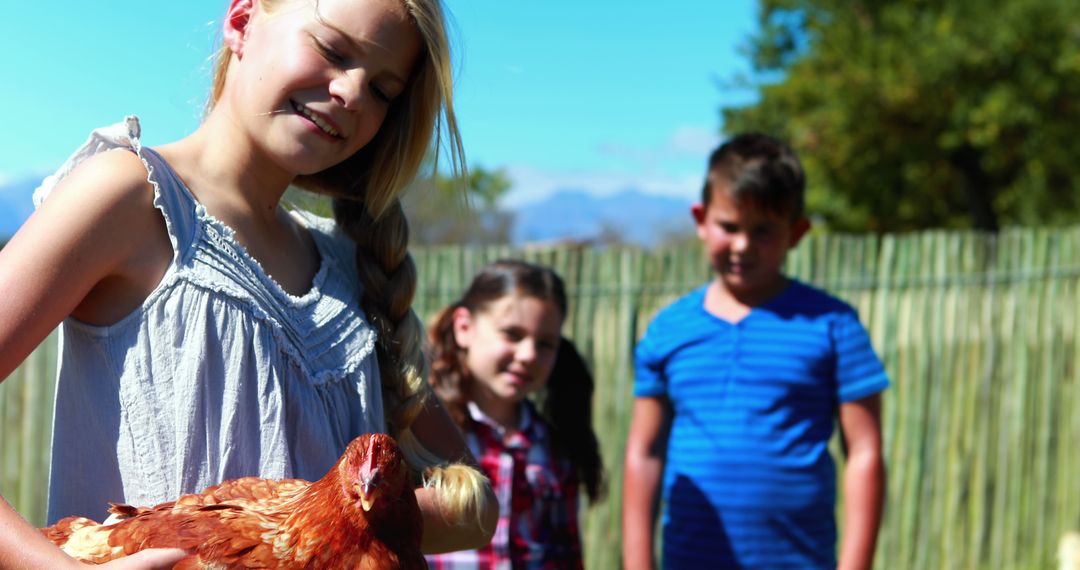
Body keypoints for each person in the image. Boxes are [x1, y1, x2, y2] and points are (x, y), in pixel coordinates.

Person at [0, 0, 498, 567]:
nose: (354, 94)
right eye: (334, 50)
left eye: (383, 90)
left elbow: (475, 507)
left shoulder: (349, 271)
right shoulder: (133, 200)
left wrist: (343, 523)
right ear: (241, 21)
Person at [622, 133, 889, 570]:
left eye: (763, 230)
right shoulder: (668, 331)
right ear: (701, 220)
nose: (743, 245)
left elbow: (864, 452)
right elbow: (644, 453)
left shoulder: (833, 326)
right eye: (729, 227)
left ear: (796, 233)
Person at [425, 260, 605, 569]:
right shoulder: (423, 434)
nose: (528, 355)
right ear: (464, 327)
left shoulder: (554, 447)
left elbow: (565, 554)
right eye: (512, 334)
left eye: (545, 344)